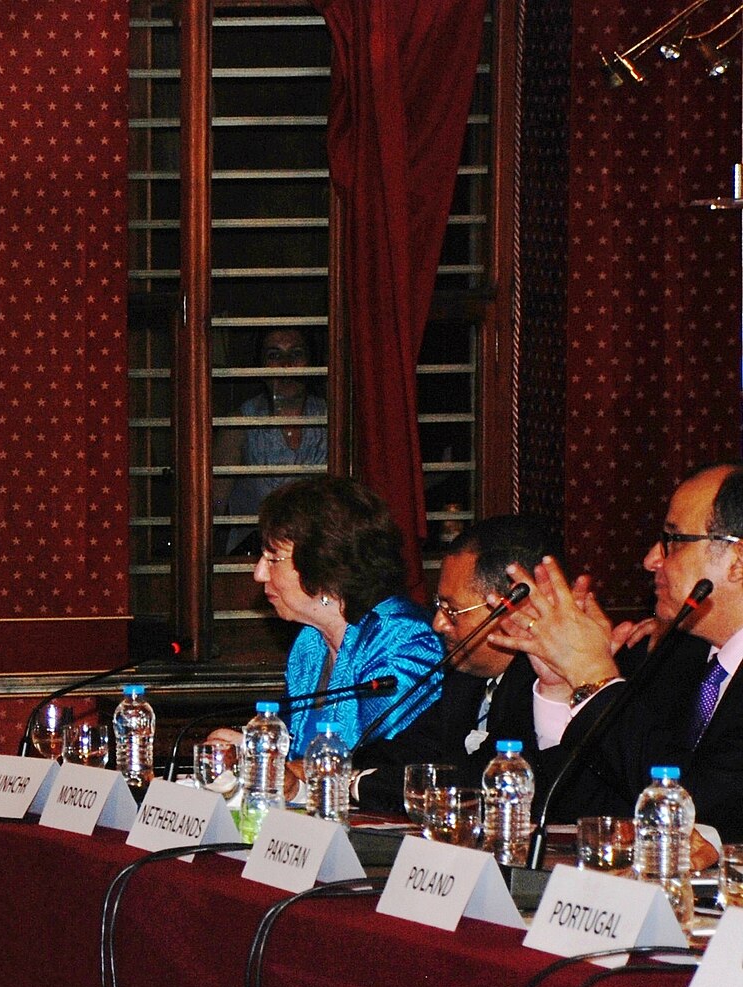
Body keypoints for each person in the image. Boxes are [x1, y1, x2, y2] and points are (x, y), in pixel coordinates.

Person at [492, 462, 743, 836]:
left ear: (737, 561)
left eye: (672, 540)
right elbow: (598, 809)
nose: (650, 560)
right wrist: (561, 688)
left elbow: (695, 813)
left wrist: (593, 675)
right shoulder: (676, 659)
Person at [212, 476, 443, 758]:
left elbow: (376, 760)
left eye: (273, 559)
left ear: (325, 564)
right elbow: (297, 752)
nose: (258, 573)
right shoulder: (310, 643)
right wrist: (250, 746)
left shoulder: (403, 640)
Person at [352, 515, 562, 812]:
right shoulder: (465, 679)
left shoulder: (545, 684)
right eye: (438, 607)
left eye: (452, 610)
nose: (438, 624)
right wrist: (324, 770)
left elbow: (476, 783)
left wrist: (358, 784)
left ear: (514, 606)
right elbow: (410, 750)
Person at [213, 329, 328, 554]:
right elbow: (214, 504)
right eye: (274, 356)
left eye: (296, 354)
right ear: (261, 366)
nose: (286, 365)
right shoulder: (240, 425)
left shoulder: (332, 419)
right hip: (257, 553)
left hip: (319, 554)